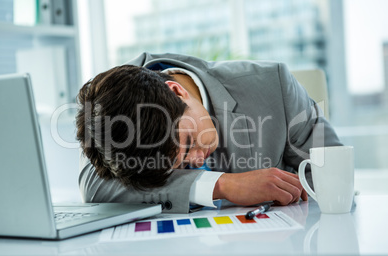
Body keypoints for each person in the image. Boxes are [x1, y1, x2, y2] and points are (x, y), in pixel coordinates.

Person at [76, 52, 342, 213]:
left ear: (176, 91)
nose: (199, 159)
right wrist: (221, 185)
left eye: (190, 141)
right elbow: (94, 184)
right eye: (179, 166)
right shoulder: (110, 111)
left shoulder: (274, 84)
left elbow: (337, 175)